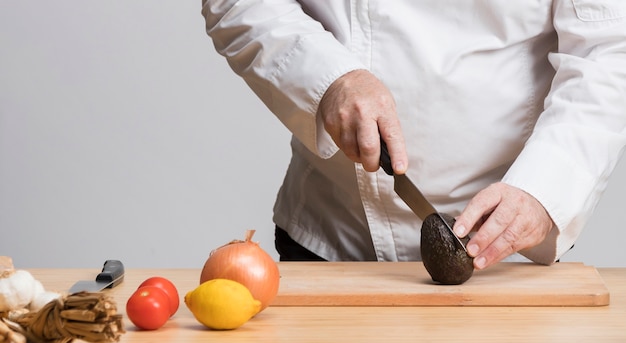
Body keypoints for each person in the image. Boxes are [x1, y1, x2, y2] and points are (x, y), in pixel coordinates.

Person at [201, 1, 626, 269]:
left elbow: (609, 49)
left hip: (507, 251)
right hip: (335, 232)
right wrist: (327, 78)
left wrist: (545, 188)